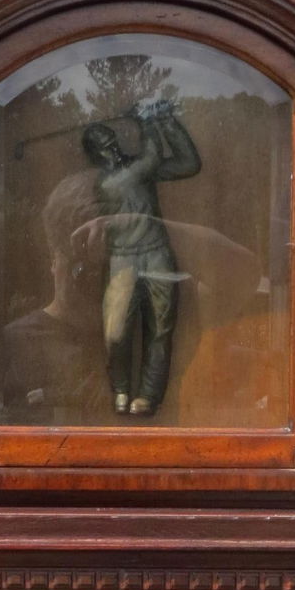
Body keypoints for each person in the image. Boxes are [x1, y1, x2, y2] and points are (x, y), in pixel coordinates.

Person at [80, 98, 201, 416]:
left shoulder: (136, 168)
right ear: (94, 156)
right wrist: (147, 120)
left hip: (157, 253)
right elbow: (151, 158)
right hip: (123, 259)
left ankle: (148, 394)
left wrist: (167, 122)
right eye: (105, 148)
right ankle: (120, 388)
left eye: (113, 143)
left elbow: (189, 163)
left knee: (161, 328)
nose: (114, 150)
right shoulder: (108, 182)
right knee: (116, 331)